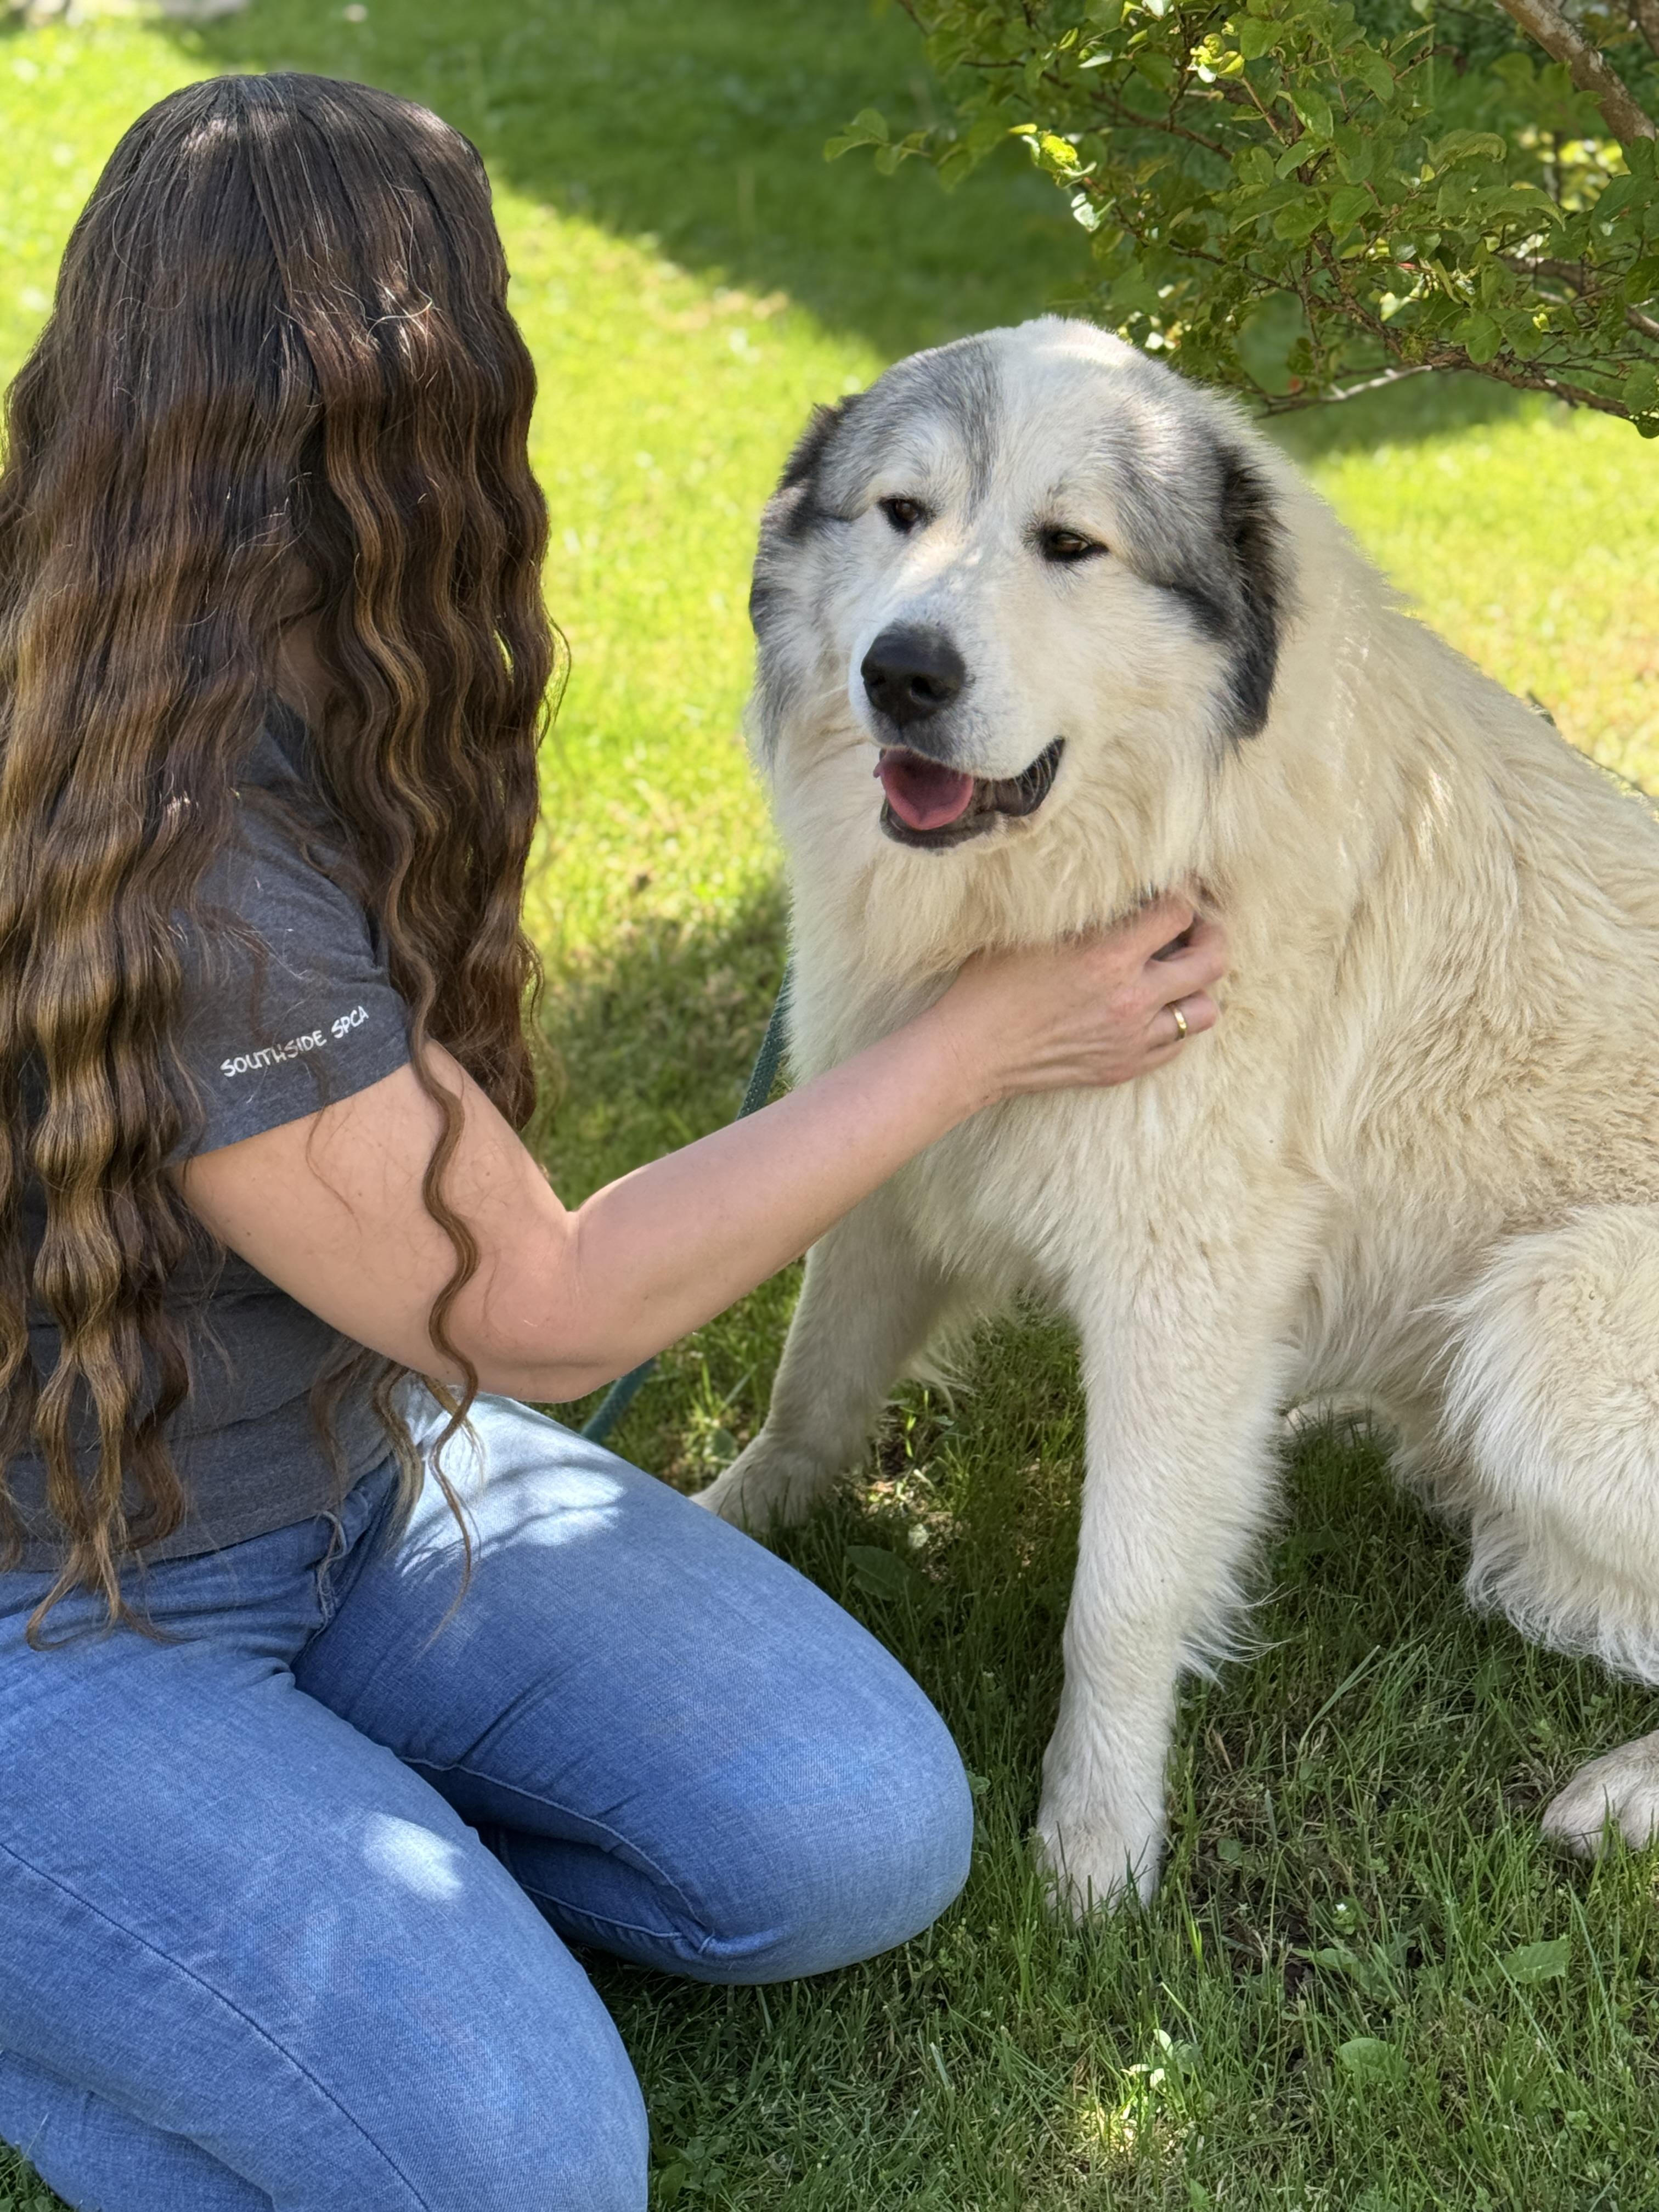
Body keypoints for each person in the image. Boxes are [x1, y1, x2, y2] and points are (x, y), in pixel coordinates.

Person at [0, 71, 1229, 2212]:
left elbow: (447, 1231)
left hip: (364, 1481)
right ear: (410, 398)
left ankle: (285, 1870)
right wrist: (980, 1035)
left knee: (856, 1829)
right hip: (65, 1609)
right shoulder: (170, 857)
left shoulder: (230, 665)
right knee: (522, 2157)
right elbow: (547, 1309)